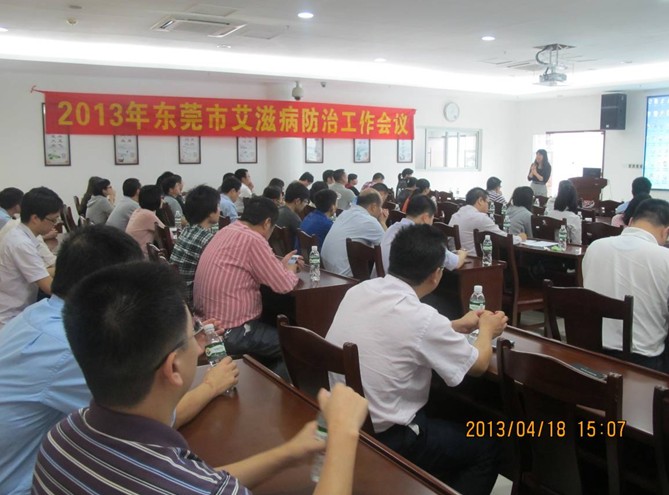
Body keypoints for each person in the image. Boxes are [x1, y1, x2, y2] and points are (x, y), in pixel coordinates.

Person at [32, 261, 369, 495]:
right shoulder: (193, 486)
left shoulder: (60, 437)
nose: (200, 344)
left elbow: (205, 482)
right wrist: (343, 434)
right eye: (193, 333)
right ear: (173, 368)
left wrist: (289, 453)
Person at [0, 225, 237, 494]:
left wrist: (181, 339)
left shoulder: (37, 315)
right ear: (109, 290)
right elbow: (149, 421)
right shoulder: (74, 346)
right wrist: (211, 386)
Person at [327, 224, 506, 495]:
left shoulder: (361, 290)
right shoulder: (422, 317)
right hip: (389, 438)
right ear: (436, 274)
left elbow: (400, 330)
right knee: (489, 448)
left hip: (346, 420)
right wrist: (487, 330)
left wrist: (453, 325)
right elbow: (479, 365)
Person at [193, 197, 302, 376]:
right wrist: (290, 269)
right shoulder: (253, 239)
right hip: (231, 331)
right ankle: (272, 388)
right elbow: (284, 285)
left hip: (207, 327)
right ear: (267, 223)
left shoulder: (227, 230)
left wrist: (280, 266)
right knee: (295, 345)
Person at [583, 198, 669, 373]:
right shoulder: (664, 258)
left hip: (590, 352)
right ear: (666, 231)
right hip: (642, 362)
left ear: (630, 222)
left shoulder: (595, 247)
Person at [0, 187, 62, 329]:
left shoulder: (21, 234)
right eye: (53, 220)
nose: (55, 224)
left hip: (20, 308)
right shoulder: (21, 244)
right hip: (10, 317)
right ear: (35, 218)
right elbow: (50, 287)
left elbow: (40, 270)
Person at [380, 195, 466, 274]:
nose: (432, 223)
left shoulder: (391, 229)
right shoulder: (424, 237)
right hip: (403, 284)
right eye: (432, 219)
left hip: (380, 282)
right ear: (425, 217)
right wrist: (462, 253)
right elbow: (456, 263)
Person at [170, 185, 220, 305]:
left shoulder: (187, 229)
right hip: (192, 299)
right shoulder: (207, 239)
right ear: (210, 213)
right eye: (218, 206)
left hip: (177, 293)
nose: (220, 210)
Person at [321, 189, 388, 277]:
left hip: (326, 271)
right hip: (343, 277)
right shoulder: (369, 221)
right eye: (380, 207)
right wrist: (382, 222)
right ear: (373, 207)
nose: (381, 211)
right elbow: (388, 245)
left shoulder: (345, 213)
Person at [448, 187, 526, 255]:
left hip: (455, 257)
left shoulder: (456, 215)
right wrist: (520, 238)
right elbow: (504, 239)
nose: (488, 206)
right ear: (480, 201)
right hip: (472, 260)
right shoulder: (480, 218)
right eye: (487, 202)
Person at [125, 185, 164, 256]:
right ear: (155, 199)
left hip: (132, 255)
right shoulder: (147, 215)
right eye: (161, 198)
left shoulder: (138, 211)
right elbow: (167, 234)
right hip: (141, 258)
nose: (163, 200)